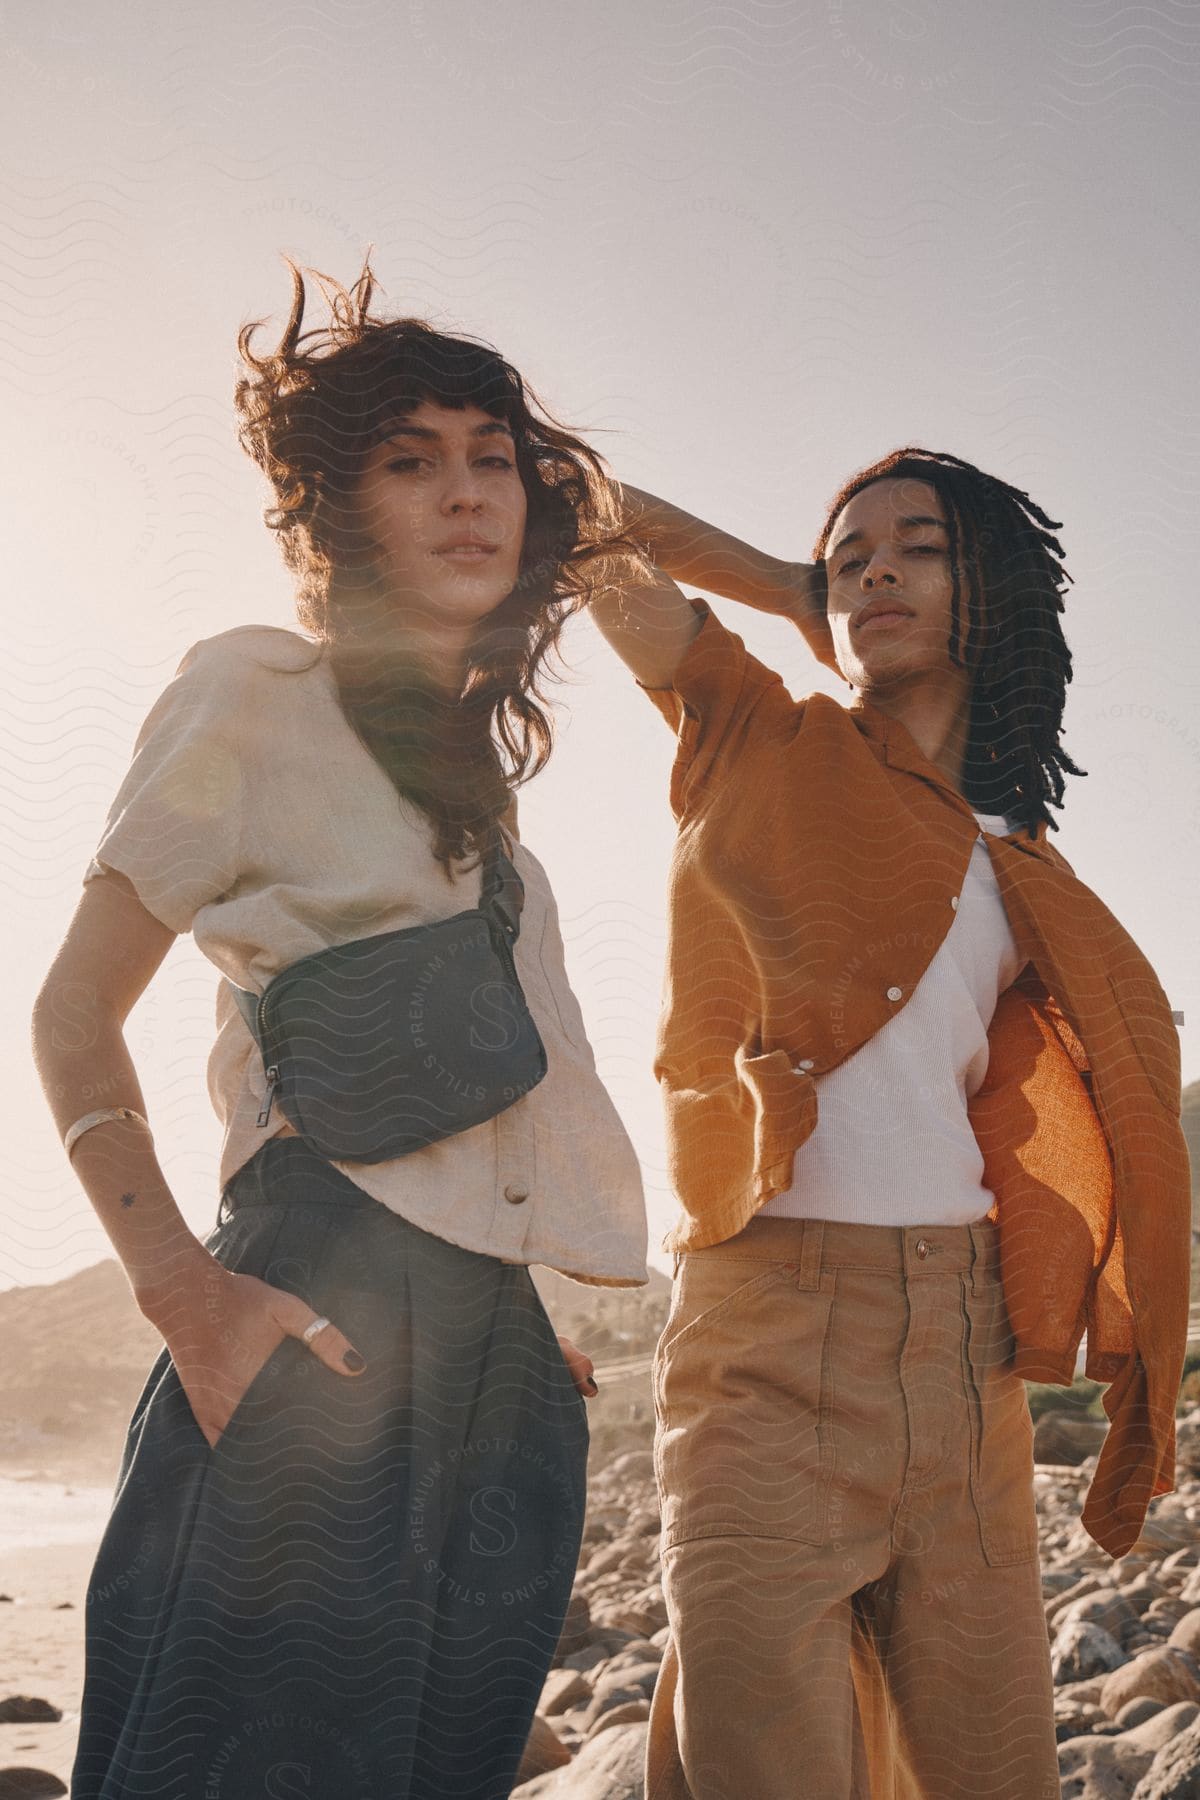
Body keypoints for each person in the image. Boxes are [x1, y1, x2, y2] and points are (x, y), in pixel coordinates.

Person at [31, 255, 649, 1800]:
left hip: (500, 1365)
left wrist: (522, 1321)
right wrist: (182, 1292)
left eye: (494, 460)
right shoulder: (254, 693)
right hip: (308, 1312)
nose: (466, 493)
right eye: (408, 458)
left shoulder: (493, 820)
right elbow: (70, 1012)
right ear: (338, 508)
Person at [588, 448, 1191, 1800]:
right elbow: (582, 522)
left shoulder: (1029, 870)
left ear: (994, 592)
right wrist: (788, 588)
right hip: (765, 1344)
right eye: (851, 549)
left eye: (917, 546)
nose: (874, 569)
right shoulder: (754, 734)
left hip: (958, 1368)